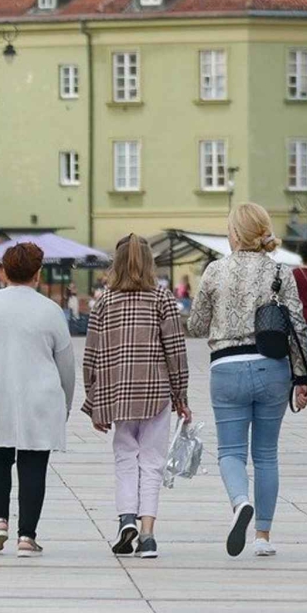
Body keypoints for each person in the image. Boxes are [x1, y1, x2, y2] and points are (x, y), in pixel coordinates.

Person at [187, 202, 307, 558]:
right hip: (271, 367)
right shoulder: (280, 272)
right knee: (267, 454)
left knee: (230, 452)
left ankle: (241, 502)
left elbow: (195, 325)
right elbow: (298, 327)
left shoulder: (215, 270)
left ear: (234, 233)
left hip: (226, 369)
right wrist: (303, 378)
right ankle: (263, 537)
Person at [0, 241, 76, 557]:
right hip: (40, 397)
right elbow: (66, 366)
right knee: (34, 464)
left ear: (4, 272)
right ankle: (27, 537)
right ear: (38, 274)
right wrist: (64, 406)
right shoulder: (50, 310)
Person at [82, 234, 191, 560]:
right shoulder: (161, 298)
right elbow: (175, 350)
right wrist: (180, 394)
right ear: (149, 262)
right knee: (153, 462)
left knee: (125, 458)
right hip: (155, 391)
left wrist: (93, 401)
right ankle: (147, 535)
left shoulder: (104, 300)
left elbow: (91, 354)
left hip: (118, 393)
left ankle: (125, 519)